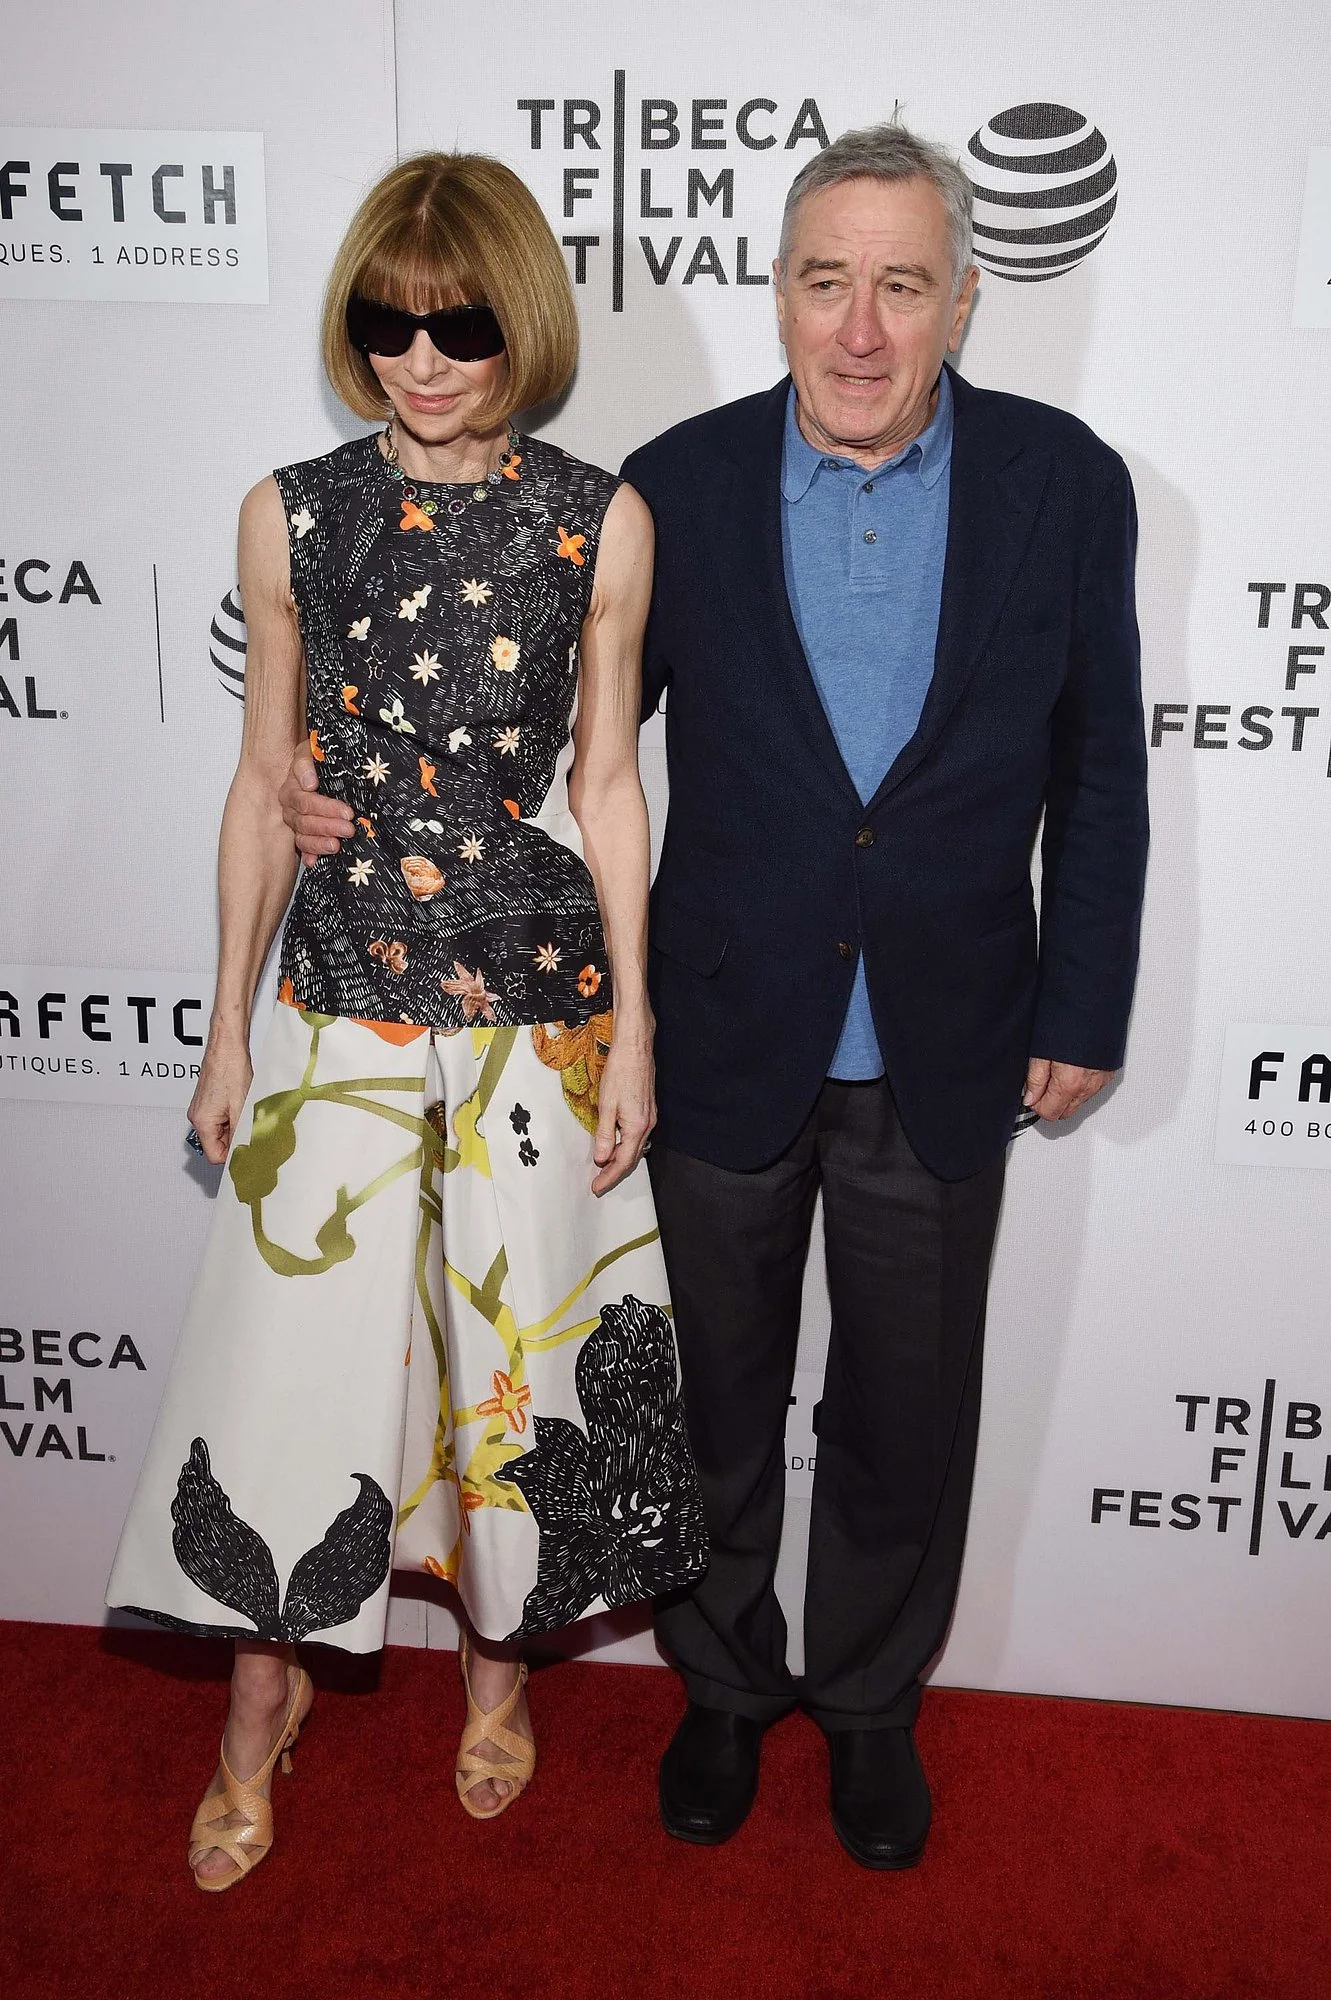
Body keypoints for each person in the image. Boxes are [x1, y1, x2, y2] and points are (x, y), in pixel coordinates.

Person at [280, 121, 1149, 1871]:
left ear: (962, 300)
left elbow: (1099, 767)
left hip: (950, 1036)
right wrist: (347, 783)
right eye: (825, 282)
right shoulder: (665, 488)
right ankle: (729, 1689)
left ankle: (872, 1709)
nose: (859, 328)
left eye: (900, 286)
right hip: (719, 1028)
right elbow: (549, 740)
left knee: (905, 1414)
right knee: (712, 1401)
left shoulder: (1065, 483)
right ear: (776, 293)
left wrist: (1084, 1004)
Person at [107, 151, 706, 1892]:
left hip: (532, 1001)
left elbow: (609, 787)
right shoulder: (289, 510)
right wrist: (225, 1032)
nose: (421, 360)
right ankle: (258, 1700)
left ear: (521, 323)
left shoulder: (602, 519)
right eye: (388, 323)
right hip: (338, 994)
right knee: (291, 1363)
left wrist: (637, 1028)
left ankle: (495, 1670)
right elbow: (259, 781)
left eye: (457, 327)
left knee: (507, 1360)